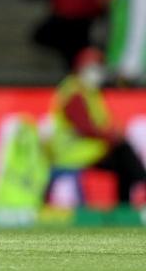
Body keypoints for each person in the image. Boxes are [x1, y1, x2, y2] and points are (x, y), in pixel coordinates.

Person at [48, 47, 146, 204]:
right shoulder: (74, 90)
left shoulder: (89, 91)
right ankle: (137, 186)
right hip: (73, 153)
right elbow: (83, 127)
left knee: (123, 157)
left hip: (88, 150)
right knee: (122, 151)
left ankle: (127, 201)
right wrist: (109, 135)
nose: (98, 70)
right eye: (95, 65)